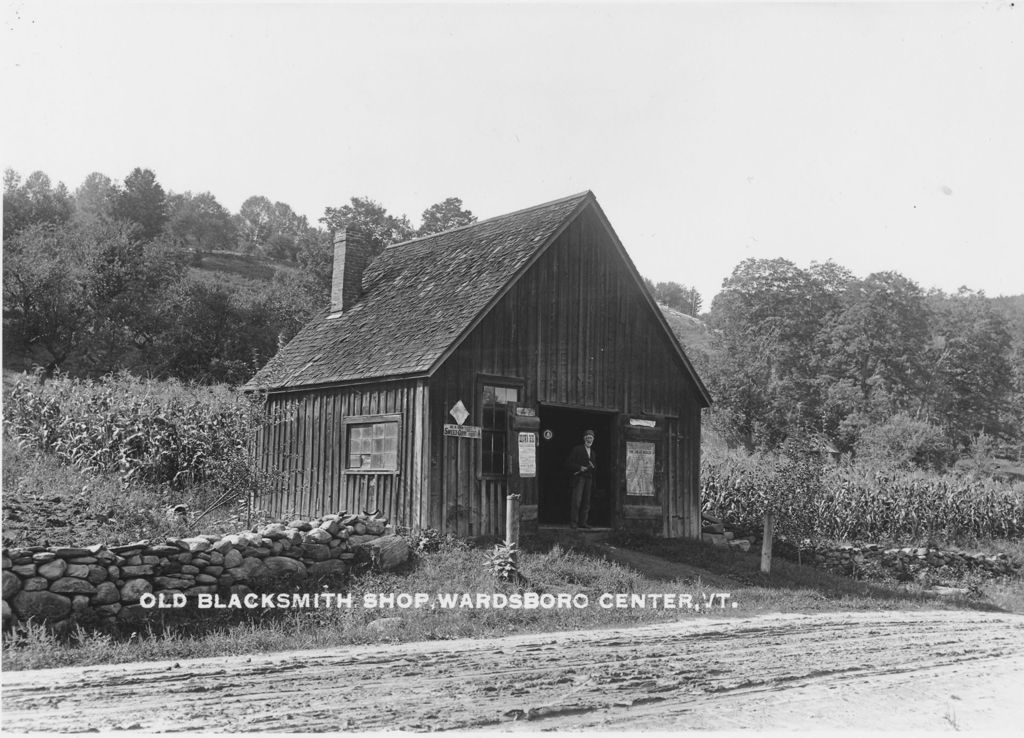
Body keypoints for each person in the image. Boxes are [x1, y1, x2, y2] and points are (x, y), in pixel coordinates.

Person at [564, 429, 596, 529]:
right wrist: (579, 468)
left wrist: (593, 467)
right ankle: (574, 522)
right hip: (579, 478)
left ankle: (583, 522)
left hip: (588, 479)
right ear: (584, 438)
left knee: (586, 502)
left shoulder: (593, 453)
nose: (589, 440)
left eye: (591, 438)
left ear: (593, 439)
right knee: (576, 501)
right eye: (587, 437)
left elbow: (594, 466)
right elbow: (568, 463)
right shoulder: (577, 449)